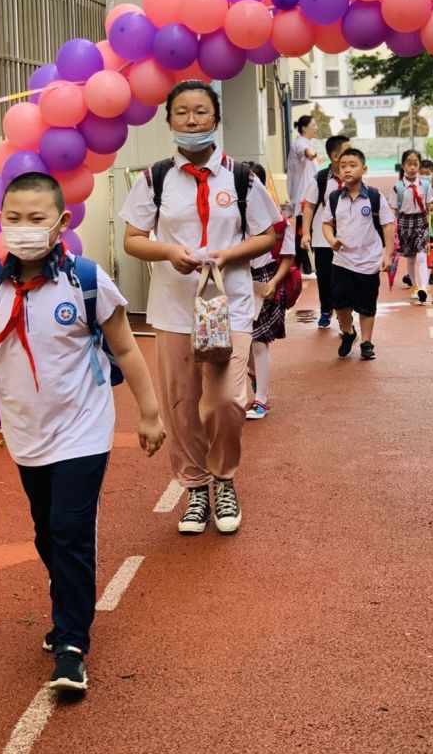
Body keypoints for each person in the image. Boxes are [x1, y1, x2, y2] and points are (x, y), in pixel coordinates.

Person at [0, 172, 165, 694]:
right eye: (13, 219)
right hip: (26, 432)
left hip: (84, 427)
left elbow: (126, 347)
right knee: (47, 531)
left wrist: (149, 414)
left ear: (61, 223)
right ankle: (71, 599)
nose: (23, 229)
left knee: (68, 529)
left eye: (36, 219)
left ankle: (71, 642)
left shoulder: (85, 279)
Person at [120, 80, 278, 536]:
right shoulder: (154, 179)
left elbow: (268, 234)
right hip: (173, 310)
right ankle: (194, 487)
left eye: (201, 113)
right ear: (169, 121)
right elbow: (131, 240)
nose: (192, 121)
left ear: (216, 119)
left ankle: (224, 477)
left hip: (230, 306)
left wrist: (229, 256)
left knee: (227, 401)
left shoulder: (243, 177)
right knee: (181, 404)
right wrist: (169, 252)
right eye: (182, 113)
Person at [321, 148, 394, 361]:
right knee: (339, 302)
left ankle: (366, 343)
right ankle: (349, 332)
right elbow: (326, 224)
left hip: (368, 261)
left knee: (367, 304)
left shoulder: (374, 196)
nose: (347, 169)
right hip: (342, 260)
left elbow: (388, 226)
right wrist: (331, 240)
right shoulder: (335, 198)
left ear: (364, 169)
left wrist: (387, 255)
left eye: (352, 165)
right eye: (343, 166)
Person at [244, 162, 295, 420]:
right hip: (232, 280)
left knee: (258, 341)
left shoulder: (279, 223)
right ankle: (254, 376)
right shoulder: (227, 214)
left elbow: (287, 258)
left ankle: (261, 400)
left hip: (264, 280)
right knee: (237, 342)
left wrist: (274, 283)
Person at [300, 134, 350, 328]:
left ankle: (344, 311)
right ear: (335, 156)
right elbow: (309, 206)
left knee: (346, 276)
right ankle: (325, 310)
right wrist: (306, 233)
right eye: (348, 150)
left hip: (348, 238)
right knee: (325, 277)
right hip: (322, 239)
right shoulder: (321, 179)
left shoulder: (353, 177)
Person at [389, 149, 433, 303]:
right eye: (409, 164)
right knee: (410, 257)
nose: (413, 167)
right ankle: (415, 286)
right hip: (404, 223)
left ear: (419, 165)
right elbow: (393, 208)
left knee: (422, 254)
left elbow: (430, 206)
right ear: (403, 166)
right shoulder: (398, 187)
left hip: (421, 222)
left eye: (415, 164)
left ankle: (424, 286)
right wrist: (390, 225)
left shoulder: (426, 185)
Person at [285, 115, 318, 274]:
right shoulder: (300, 143)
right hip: (304, 198)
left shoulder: (306, 142)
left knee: (307, 230)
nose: (316, 127)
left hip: (309, 196)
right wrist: (311, 153)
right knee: (304, 231)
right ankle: (305, 266)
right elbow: (306, 151)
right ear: (304, 128)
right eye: (313, 125)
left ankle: (302, 265)